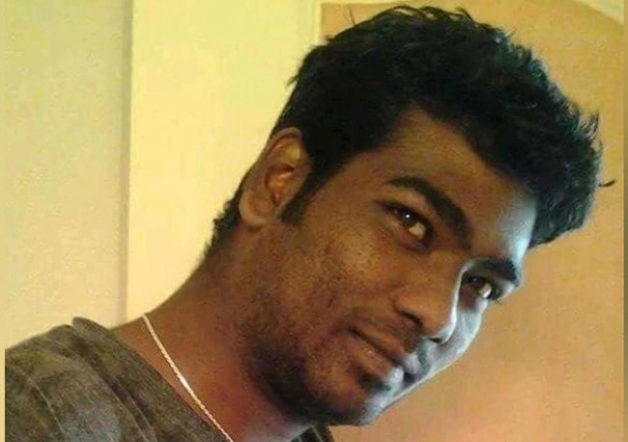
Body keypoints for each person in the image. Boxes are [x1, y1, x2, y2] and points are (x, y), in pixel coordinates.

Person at [6, 6, 601, 442]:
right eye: (412, 222)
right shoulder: (40, 417)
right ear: (279, 181)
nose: (440, 317)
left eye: (481, 285)